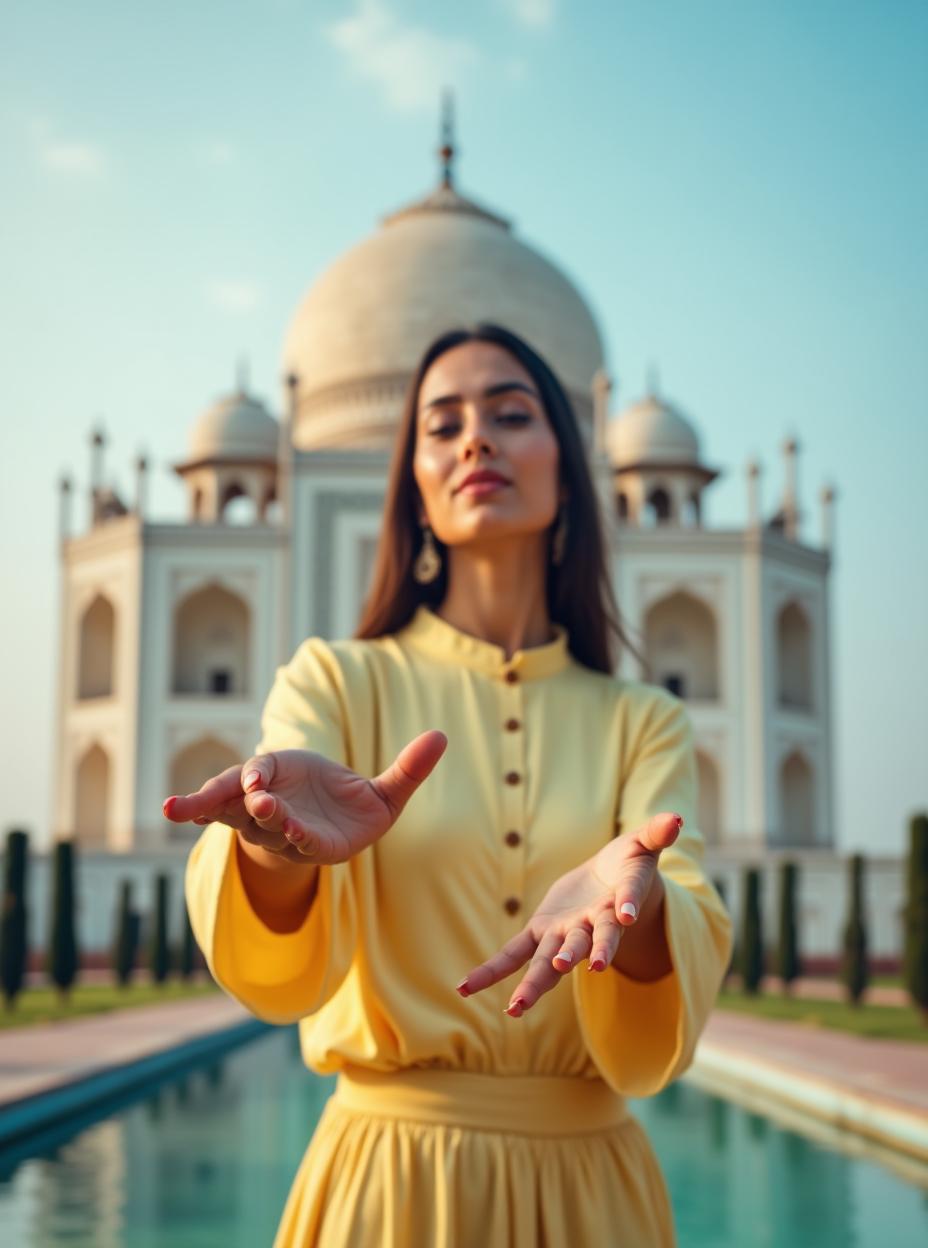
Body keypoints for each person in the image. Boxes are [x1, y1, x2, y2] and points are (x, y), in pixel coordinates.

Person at [166, 323, 733, 1247]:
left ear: (568, 472)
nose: (476, 439)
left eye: (511, 414)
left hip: (590, 1193)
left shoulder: (645, 719)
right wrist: (275, 849)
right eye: (443, 425)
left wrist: (638, 905)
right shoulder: (337, 683)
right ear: (413, 490)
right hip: (388, 1189)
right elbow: (275, 928)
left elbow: (690, 919)